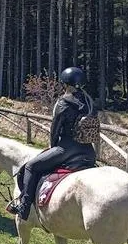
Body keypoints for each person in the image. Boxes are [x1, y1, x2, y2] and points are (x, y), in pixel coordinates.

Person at [6, 66, 97, 220]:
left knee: (31, 166)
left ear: (65, 84)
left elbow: (55, 130)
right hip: (89, 152)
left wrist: (53, 147)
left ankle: (24, 207)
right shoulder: (89, 103)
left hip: (66, 149)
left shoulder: (63, 103)